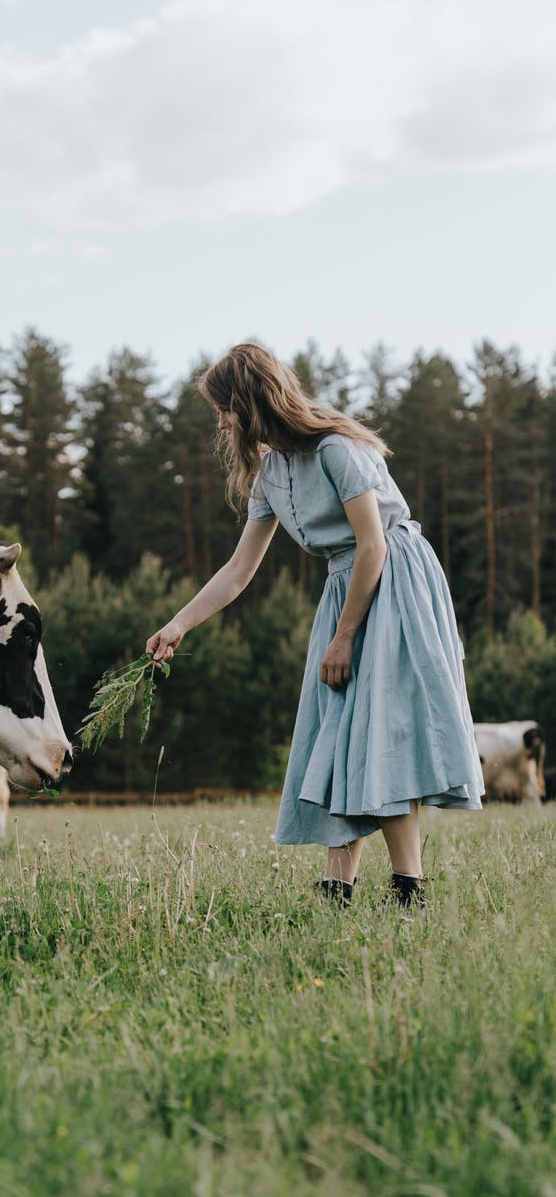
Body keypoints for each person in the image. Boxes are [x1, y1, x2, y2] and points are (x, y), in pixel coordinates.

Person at [146, 342, 483, 907]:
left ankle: (407, 888)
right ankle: (339, 887)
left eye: (225, 407)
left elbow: (374, 543)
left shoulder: (335, 449)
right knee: (340, 730)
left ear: (251, 401)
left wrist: (345, 636)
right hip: (345, 586)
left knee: (381, 728)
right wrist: (180, 623)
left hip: (392, 579)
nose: (222, 421)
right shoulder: (271, 470)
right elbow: (237, 570)